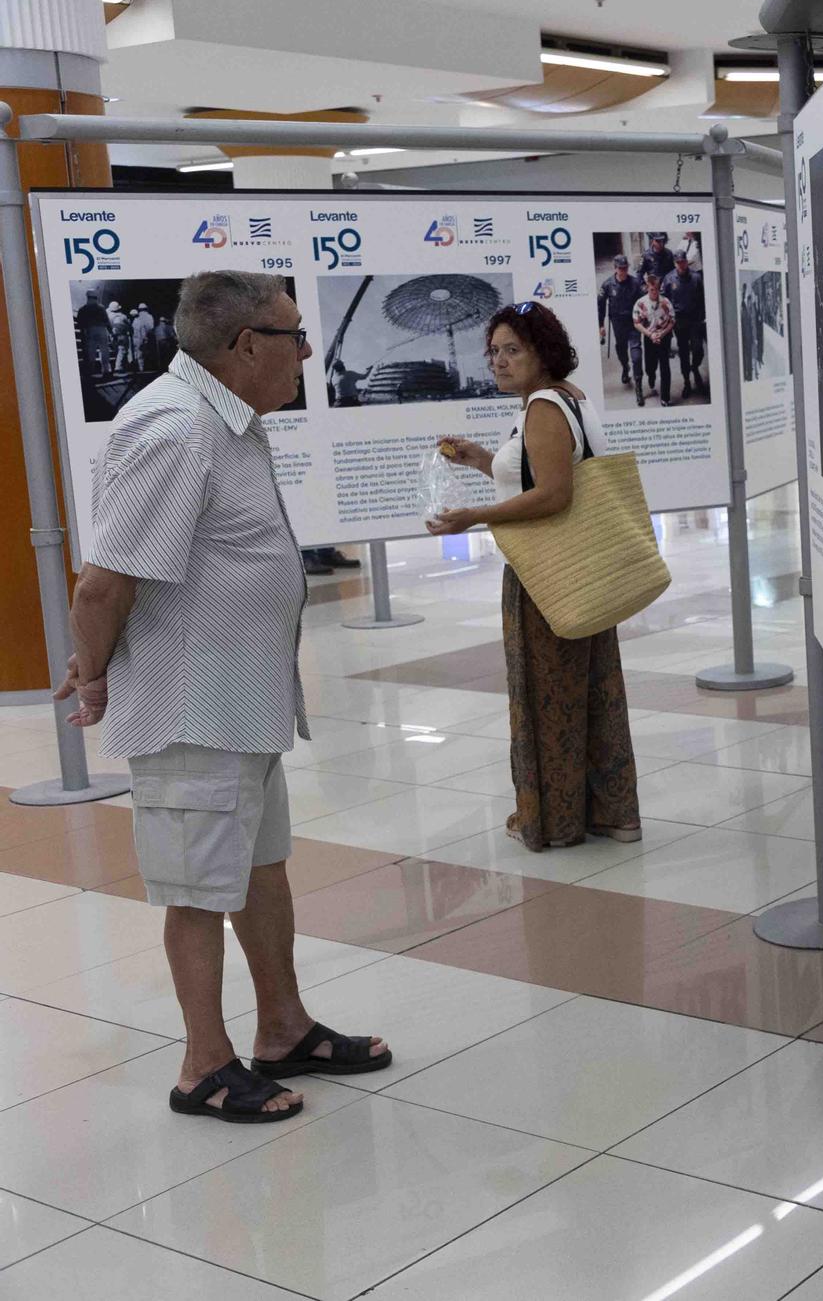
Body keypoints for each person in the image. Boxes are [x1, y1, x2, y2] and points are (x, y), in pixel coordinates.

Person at [55, 270, 389, 1123]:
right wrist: (90, 677)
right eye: (292, 335)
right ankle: (204, 1064)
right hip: (191, 709)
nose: (307, 352)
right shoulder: (173, 429)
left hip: (242, 706)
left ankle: (283, 1027)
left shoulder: (226, 419)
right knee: (198, 890)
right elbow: (103, 586)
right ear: (246, 346)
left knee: (257, 868)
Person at [431, 302, 644, 850]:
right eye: (494, 351)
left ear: (542, 352)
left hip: (547, 573)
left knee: (547, 696)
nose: (499, 362)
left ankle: (554, 820)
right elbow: (540, 472)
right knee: (595, 691)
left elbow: (553, 494)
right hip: (586, 566)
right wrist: (483, 460)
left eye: (512, 350)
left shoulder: (543, 408)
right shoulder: (565, 398)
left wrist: (474, 516)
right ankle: (613, 812)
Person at [662, 250, 708, 398]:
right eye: (678, 262)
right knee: (683, 354)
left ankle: (695, 368)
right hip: (679, 322)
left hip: (695, 320)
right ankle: (687, 380)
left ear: (686, 261)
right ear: (675, 263)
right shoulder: (669, 279)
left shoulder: (696, 277)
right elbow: (664, 301)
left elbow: (703, 298)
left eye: (683, 261)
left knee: (698, 350)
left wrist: (704, 317)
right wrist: (667, 320)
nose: (681, 265)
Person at [596, 253, 644, 390]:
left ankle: (638, 385)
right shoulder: (607, 285)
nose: (623, 271)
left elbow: (644, 303)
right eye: (621, 268)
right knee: (621, 349)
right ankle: (625, 367)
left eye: (625, 268)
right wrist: (601, 325)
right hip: (617, 324)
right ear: (615, 268)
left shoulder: (635, 283)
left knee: (636, 355)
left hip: (634, 322)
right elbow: (600, 305)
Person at [632, 272, 676, 406]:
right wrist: (650, 335)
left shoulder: (666, 302)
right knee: (650, 365)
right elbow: (636, 323)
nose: (654, 292)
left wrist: (662, 334)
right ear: (647, 288)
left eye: (656, 289)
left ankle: (665, 397)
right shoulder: (640, 303)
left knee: (665, 367)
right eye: (651, 289)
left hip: (664, 337)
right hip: (649, 337)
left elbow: (672, 321)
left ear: (659, 288)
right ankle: (651, 375)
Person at [76, 289, 113, 377]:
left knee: (90, 352)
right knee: (104, 351)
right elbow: (106, 321)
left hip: (89, 330)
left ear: (87, 297)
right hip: (101, 330)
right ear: (96, 297)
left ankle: (90, 372)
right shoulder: (101, 308)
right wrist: (111, 331)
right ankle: (106, 371)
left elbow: (79, 321)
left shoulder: (83, 309)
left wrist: (83, 331)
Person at [130, 302, 157, 372]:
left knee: (139, 352)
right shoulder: (150, 316)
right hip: (149, 336)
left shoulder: (137, 318)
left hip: (139, 337)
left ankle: (140, 368)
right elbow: (151, 327)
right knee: (149, 352)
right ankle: (150, 366)